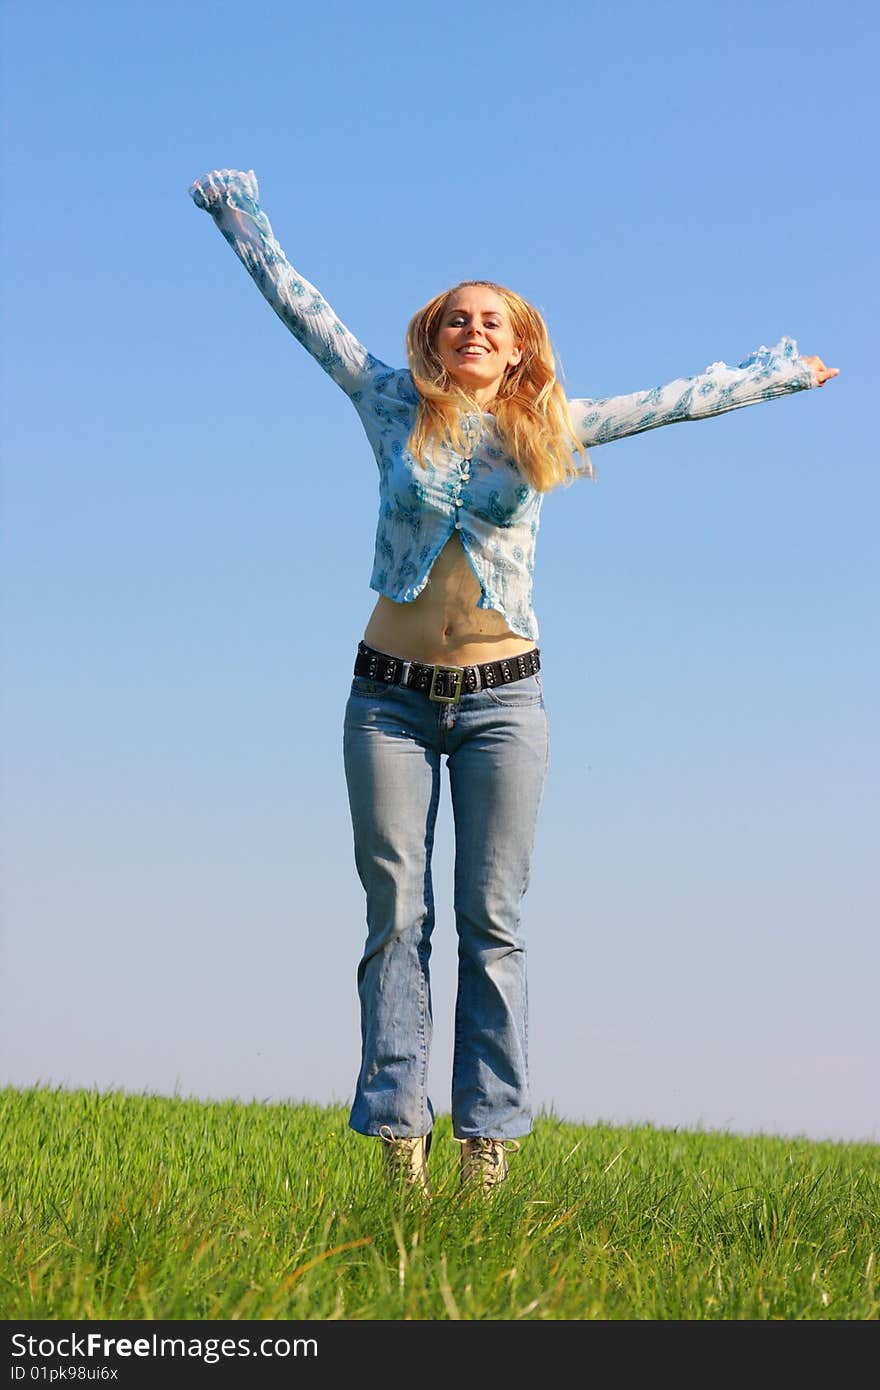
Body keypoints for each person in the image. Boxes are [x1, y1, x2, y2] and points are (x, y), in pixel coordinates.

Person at [188, 167, 838, 1197]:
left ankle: (486, 1138)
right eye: (455, 318)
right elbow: (299, 308)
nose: (472, 329)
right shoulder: (385, 399)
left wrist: (779, 373)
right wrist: (238, 215)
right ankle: (402, 1133)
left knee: (494, 921)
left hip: (503, 701)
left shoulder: (548, 422)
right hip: (386, 696)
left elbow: (671, 404)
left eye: (491, 320)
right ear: (432, 336)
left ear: (519, 340)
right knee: (396, 913)